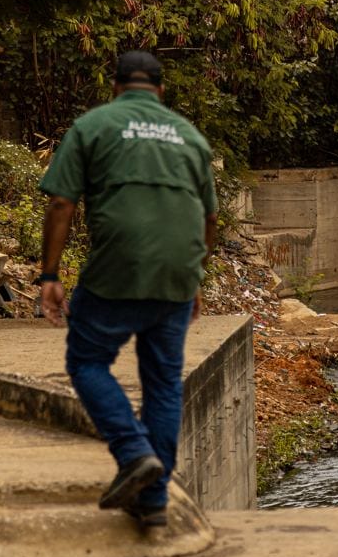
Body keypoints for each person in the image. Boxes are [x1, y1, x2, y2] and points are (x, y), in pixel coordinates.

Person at [37, 50, 218, 528]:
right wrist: (194, 275)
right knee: (162, 381)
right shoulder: (190, 136)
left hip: (117, 269)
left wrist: (50, 275)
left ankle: (134, 451)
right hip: (178, 274)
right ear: (160, 91)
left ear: (115, 87)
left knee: (86, 360)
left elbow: (61, 203)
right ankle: (154, 499)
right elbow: (209, 217)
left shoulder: (94, 125)